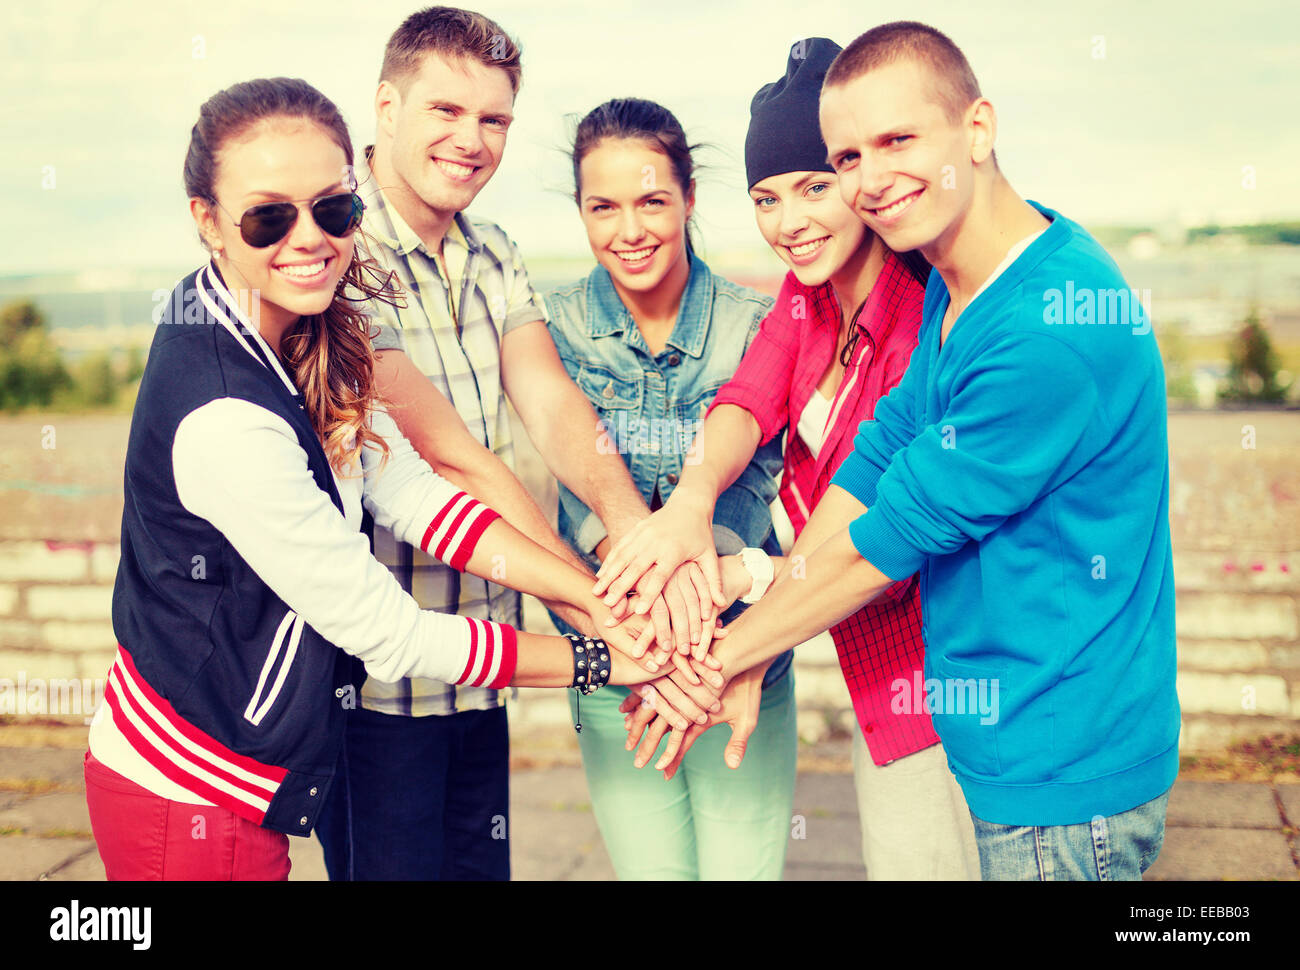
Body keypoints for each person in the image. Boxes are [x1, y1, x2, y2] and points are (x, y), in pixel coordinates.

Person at [82, 75, 699, 881]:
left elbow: (412, 491)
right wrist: (603, 658)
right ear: (208, 221)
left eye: (332, 210)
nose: (309, 238)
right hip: (187, 791)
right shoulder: (228, 418)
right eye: (270, 216)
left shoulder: (300, 323)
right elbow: (390, 632)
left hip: (229, 776)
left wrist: (593, 598)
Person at [614, 21, 1179, 882]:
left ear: (978, 130)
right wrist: (746, 615)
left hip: (1060, 776)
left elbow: (888, 543)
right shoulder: (968, 293)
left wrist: (727, 653)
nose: (871, 180)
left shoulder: (1041, 333)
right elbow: (875, 463)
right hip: (1007, 737)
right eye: (848, 157)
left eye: (896, 141)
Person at [314, 7, 714, 882]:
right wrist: (607, 620)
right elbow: (452, 459)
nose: (472, 140)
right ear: (385, 107)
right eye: (446, 112)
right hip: (378, 681)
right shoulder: (336, 250)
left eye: (493, 119)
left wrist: (639, 543)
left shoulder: (491, 250)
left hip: (485, 660)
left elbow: (552, 404)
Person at [594, 38, 979, 879]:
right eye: (767, 197)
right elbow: (745, 403)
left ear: (859, 177)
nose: (791, 221)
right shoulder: (806, 301)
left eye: (815, 185)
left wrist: (742, 602)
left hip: (942, 671)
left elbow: (874, 526)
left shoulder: (918, 320)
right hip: (870, 659)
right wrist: (691, 506)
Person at [541, 97, 796, 880]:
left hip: (738, 654)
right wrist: (649, 636)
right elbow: (576, 497)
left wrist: (700, 643)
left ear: (689, 198)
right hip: (614, 656)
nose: (631, 230)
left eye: (653, 201)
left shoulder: (760, 324)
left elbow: (753, 488)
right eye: (603, 206)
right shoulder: (549, 330)